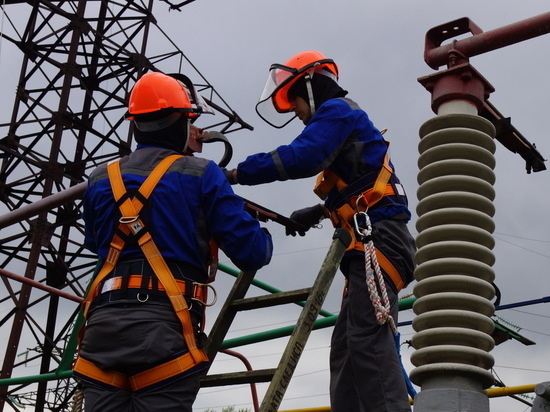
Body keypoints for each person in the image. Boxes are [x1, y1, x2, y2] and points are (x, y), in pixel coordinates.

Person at [224, 51, 415, 411]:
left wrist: (235, 175)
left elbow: (302, 157)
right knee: (346, 351)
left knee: (367, 344)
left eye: (294, 101)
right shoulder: (347, 120)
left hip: (381, 238)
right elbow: (360, 181)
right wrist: (315, 212)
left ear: (310, 86)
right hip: (373, 238)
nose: (295, 111)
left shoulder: (338, 111)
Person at [73, 71, 273, 412]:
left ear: (134, 124)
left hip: (102, 333)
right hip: (163, 332)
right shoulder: (201, 173)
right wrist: (250, 223)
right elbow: (253, 253)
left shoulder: (99, 178)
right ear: (183, 121)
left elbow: (97, 244)